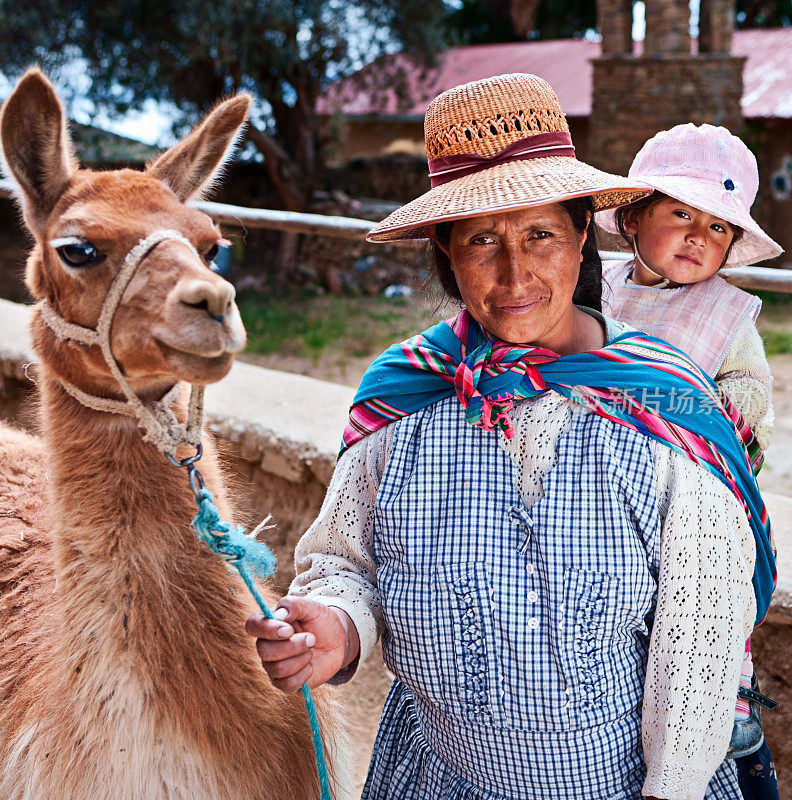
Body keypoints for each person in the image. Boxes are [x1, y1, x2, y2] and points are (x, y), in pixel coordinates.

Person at [247, 74, 775, 800]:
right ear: (445, 248)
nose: (515, 272)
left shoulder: (662, 407)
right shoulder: (404, 400)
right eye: (481, 241)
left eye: (541, 235)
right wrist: (336, 626)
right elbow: (348, 565)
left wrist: (673, 787)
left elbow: (699, 645)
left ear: (584, 231)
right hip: (438, 778)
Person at [596, 124, 782, 800]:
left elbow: (754, 385)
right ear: (635, 215)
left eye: (718, 227)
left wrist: (736, 404)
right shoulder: (598, 290)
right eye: (680, 214)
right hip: (601, 485)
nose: (699, 236)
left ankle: (731, 715)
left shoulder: (727, 314)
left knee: (707, 601)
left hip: (690, 488)